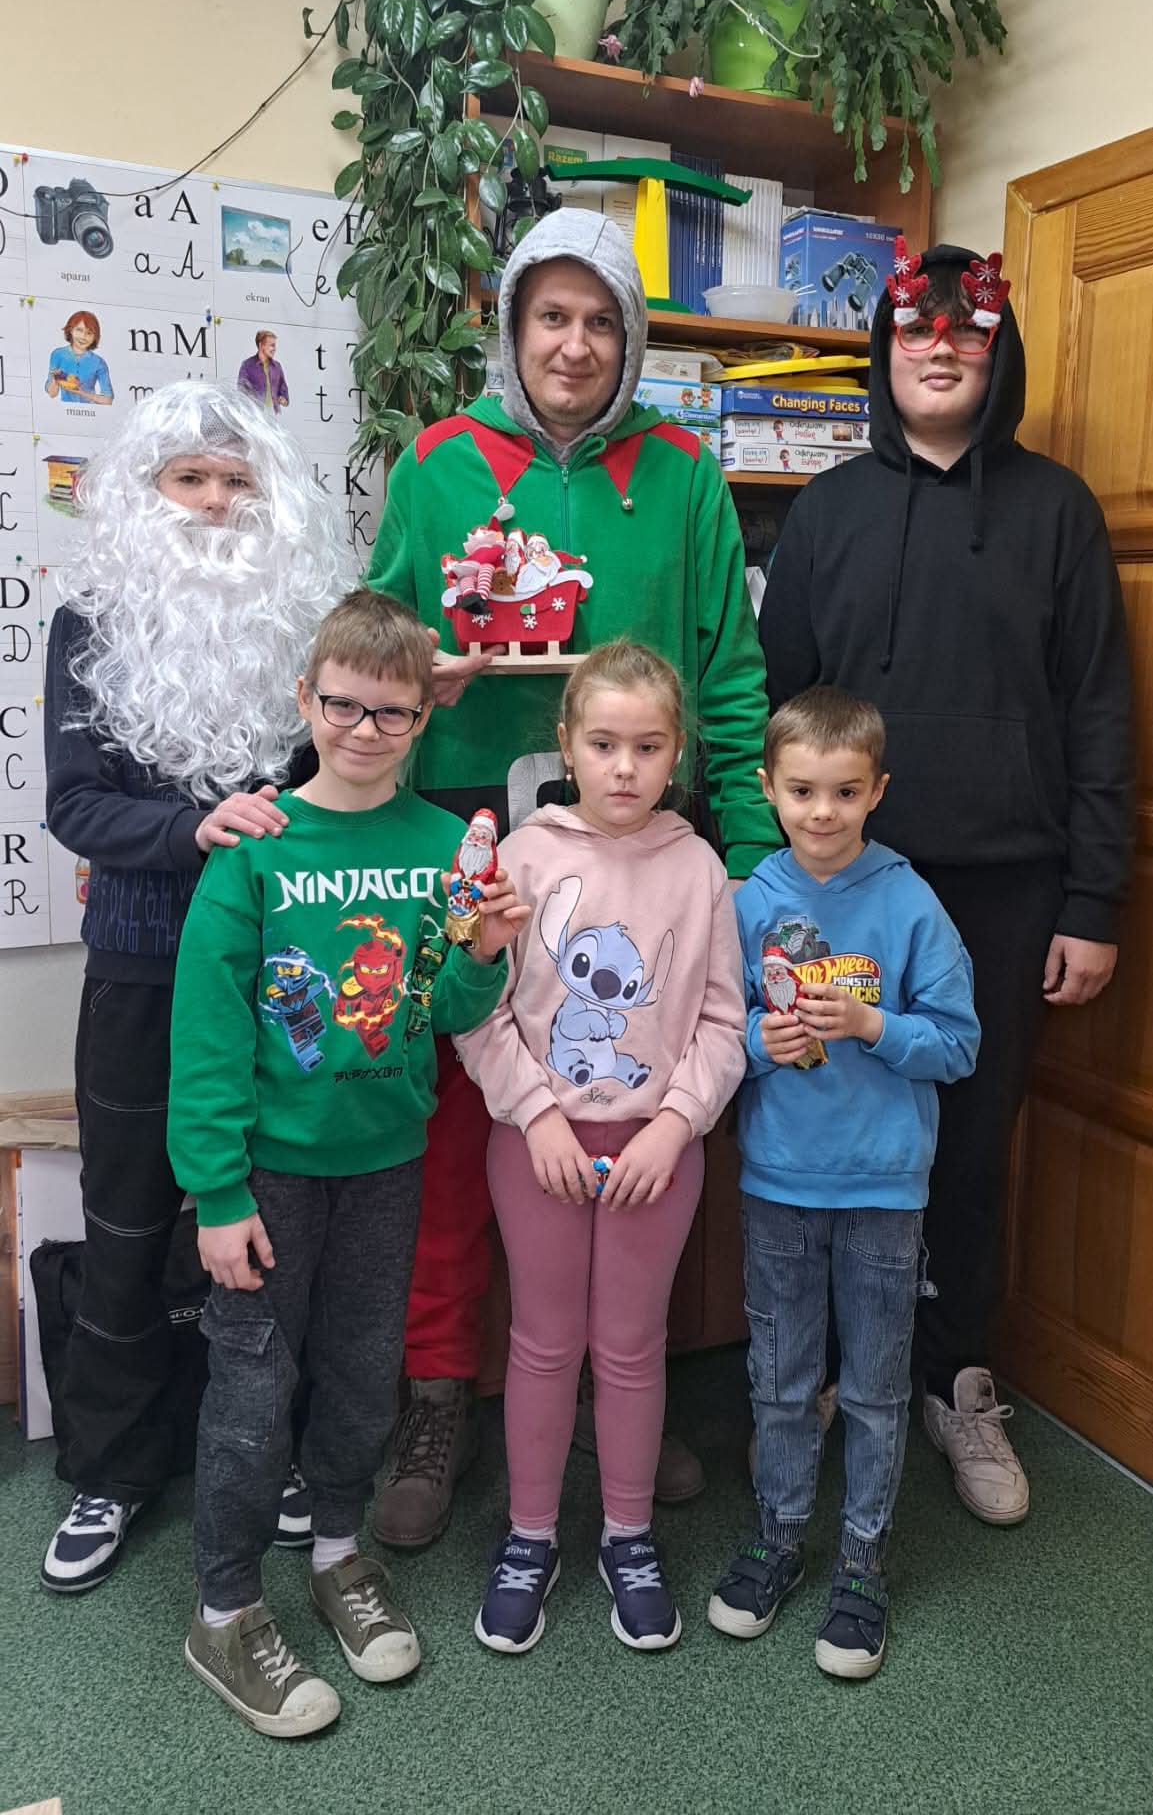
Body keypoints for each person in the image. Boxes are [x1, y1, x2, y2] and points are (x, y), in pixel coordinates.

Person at [367, 206, 777, 1543]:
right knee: (461, 1131)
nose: (575, 344)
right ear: (511, 324)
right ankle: (441, 1394)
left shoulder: (684, 472)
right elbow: (371, 655)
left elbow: (728, 676)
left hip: (641, 853)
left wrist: (750, 865)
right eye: (551, 315)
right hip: (466, 841)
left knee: (641, 1106)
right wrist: (416, 677)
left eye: (602, 320)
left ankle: (619, 1390)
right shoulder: (438, 462)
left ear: (632, 338)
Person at [759, 242, 1132, 1525]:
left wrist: (1092, 900)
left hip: (1005, 891)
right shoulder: (826, 511)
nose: (938, 349)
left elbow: (1098, 710)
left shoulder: (1057, 510)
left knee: (968, 1149)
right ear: (884, 351)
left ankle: (954, 1377)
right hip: (840, 884)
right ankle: (814, 1374)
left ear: (995, 352)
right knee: (827, 1130)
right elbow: (776, 700)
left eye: (964, 333)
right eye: (915, 330)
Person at [167, 590, 523, 1736]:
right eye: (343, 705)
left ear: (425, 715)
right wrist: (217, 1193)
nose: (366, 730)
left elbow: (447, 1007)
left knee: (366, 1370)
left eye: (392, 712)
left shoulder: (443, 846)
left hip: (386, 1162)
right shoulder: (256, 849)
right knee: (252, 1388)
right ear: (305, 699)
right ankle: (225, 1608)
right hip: (266, 1176)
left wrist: (483, 950)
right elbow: (208, 1033)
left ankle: (336, 1549)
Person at [39, 382, 354, 1595]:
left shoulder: (302, 629)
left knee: (268, 1223)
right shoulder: (89, 623)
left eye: (238, 480)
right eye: (191, 479)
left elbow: (335, 782)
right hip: (138, 962)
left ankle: (265, 1445)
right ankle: (111, 1468)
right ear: (145, 492)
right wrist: (189, 828)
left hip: (275, 967)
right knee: (127, 1220)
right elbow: (76, 805)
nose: (218, 502)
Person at [454, 642, 746, 1654]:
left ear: (678, 752)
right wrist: (536, 1115)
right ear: (566, 744)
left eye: (648, 746)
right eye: (604, 743)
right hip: (534, 1142)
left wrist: (676, 1122)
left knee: (630, 1345)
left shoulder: (698, 867)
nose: (625, 766)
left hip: (658, 1151)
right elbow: (479, 1009)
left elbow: (723, 1020)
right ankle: (529, 1536)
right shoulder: (524, 856)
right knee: (541, 1342)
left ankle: (628, 1534)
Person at [709, 687, 979, 1680]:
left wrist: (873, 1026)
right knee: (780, 1380)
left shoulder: (908, 903)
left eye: (844, 791)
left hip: (882, 1190)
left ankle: (862, 1561)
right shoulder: (746, 903)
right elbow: (712, 1033)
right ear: (768, 789)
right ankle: (779, 1536)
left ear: (877, 790)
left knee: (870, 1387)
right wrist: (759, 1043)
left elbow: (957, 1044)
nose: (821, 811)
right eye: (801, 790)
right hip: (778, 1183)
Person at [46, 309, 115, 405]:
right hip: (65, 410)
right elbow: (52, 394)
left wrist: (81, 392)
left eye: (89, 333)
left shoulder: (99, 362)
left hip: (91, 411)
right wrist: (55, 379)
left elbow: (108, 400)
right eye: (79, 330)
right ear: (71, 330)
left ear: (94, 337)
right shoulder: (58, 354)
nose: (83, 337)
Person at [238, 329, 289, 411]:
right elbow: (241, 390)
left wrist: (284, 399)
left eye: (275, 346)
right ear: (261, 345)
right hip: (255, 413)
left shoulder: (277, 366)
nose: (274, 349)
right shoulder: (247, 365)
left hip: (274, 412)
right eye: (272, 345)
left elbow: (283, 387)